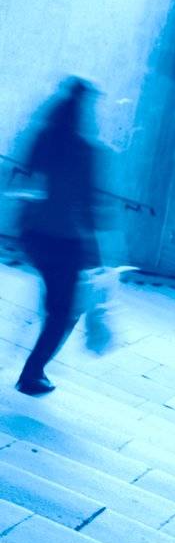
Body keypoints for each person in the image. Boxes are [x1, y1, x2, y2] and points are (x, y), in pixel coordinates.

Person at [14, 78, 105, 396]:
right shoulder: (84, 150)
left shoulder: (44, 136)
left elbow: (26, 179)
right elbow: (89, 206)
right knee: (63, 313)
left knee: (56, 302)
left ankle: (35, 366)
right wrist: (96, 255)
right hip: (65, 240)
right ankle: (32, 372)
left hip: (34, 235)